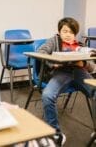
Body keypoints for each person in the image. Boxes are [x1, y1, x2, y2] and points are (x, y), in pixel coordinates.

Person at [38, 17, 95, 146]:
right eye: (65, 31)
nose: (68, 35)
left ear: (75, 34)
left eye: (71, 32)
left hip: (80, 73)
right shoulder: (54, 41)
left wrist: (84, 63)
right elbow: (41, 52)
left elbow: (92, 66)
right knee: (47, 95)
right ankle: (55, 134)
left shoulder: (81, 46)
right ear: (59, 32)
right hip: (61, 73)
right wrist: (53, 63)